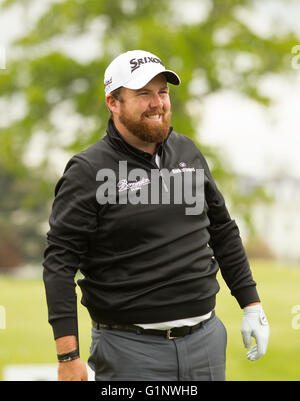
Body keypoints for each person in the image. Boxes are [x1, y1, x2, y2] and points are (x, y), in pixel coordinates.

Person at [43, 50, 270, 381]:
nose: (157, 102)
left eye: (162, 92)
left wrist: (251, 305)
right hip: (130, 350)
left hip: (205, 341)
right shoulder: (88, 170)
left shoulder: (188, 152)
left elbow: (222, 231)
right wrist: (68, 355)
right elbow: (59, 263)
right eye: (143, 94)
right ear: (113, 102)